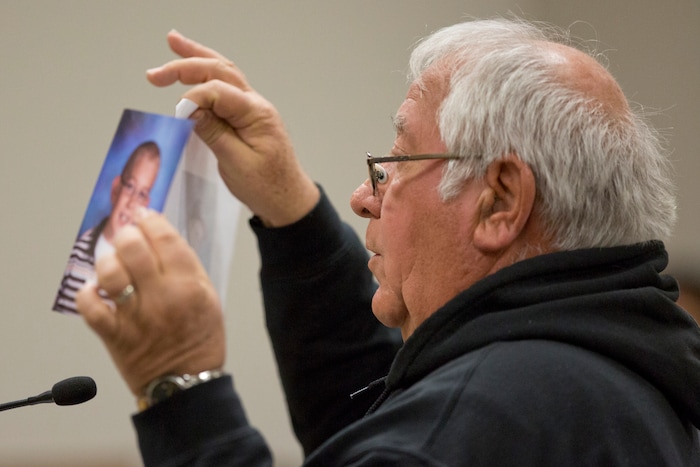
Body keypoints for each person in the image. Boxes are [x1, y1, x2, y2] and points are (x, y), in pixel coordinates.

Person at [76, 18, 700, 466]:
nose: (364, 196)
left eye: (398, 161)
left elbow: (418, 433)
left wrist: (180, 385)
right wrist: (292, 212)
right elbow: (376, 407)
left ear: (500, 201)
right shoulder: (618, 363)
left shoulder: (478, 420)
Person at [54, 141, 160, 314]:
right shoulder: (75, 252)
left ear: (145, 205)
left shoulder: (138, 273)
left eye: (141, 194)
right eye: (130, 186)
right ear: (116, 189)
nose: (132, 203)